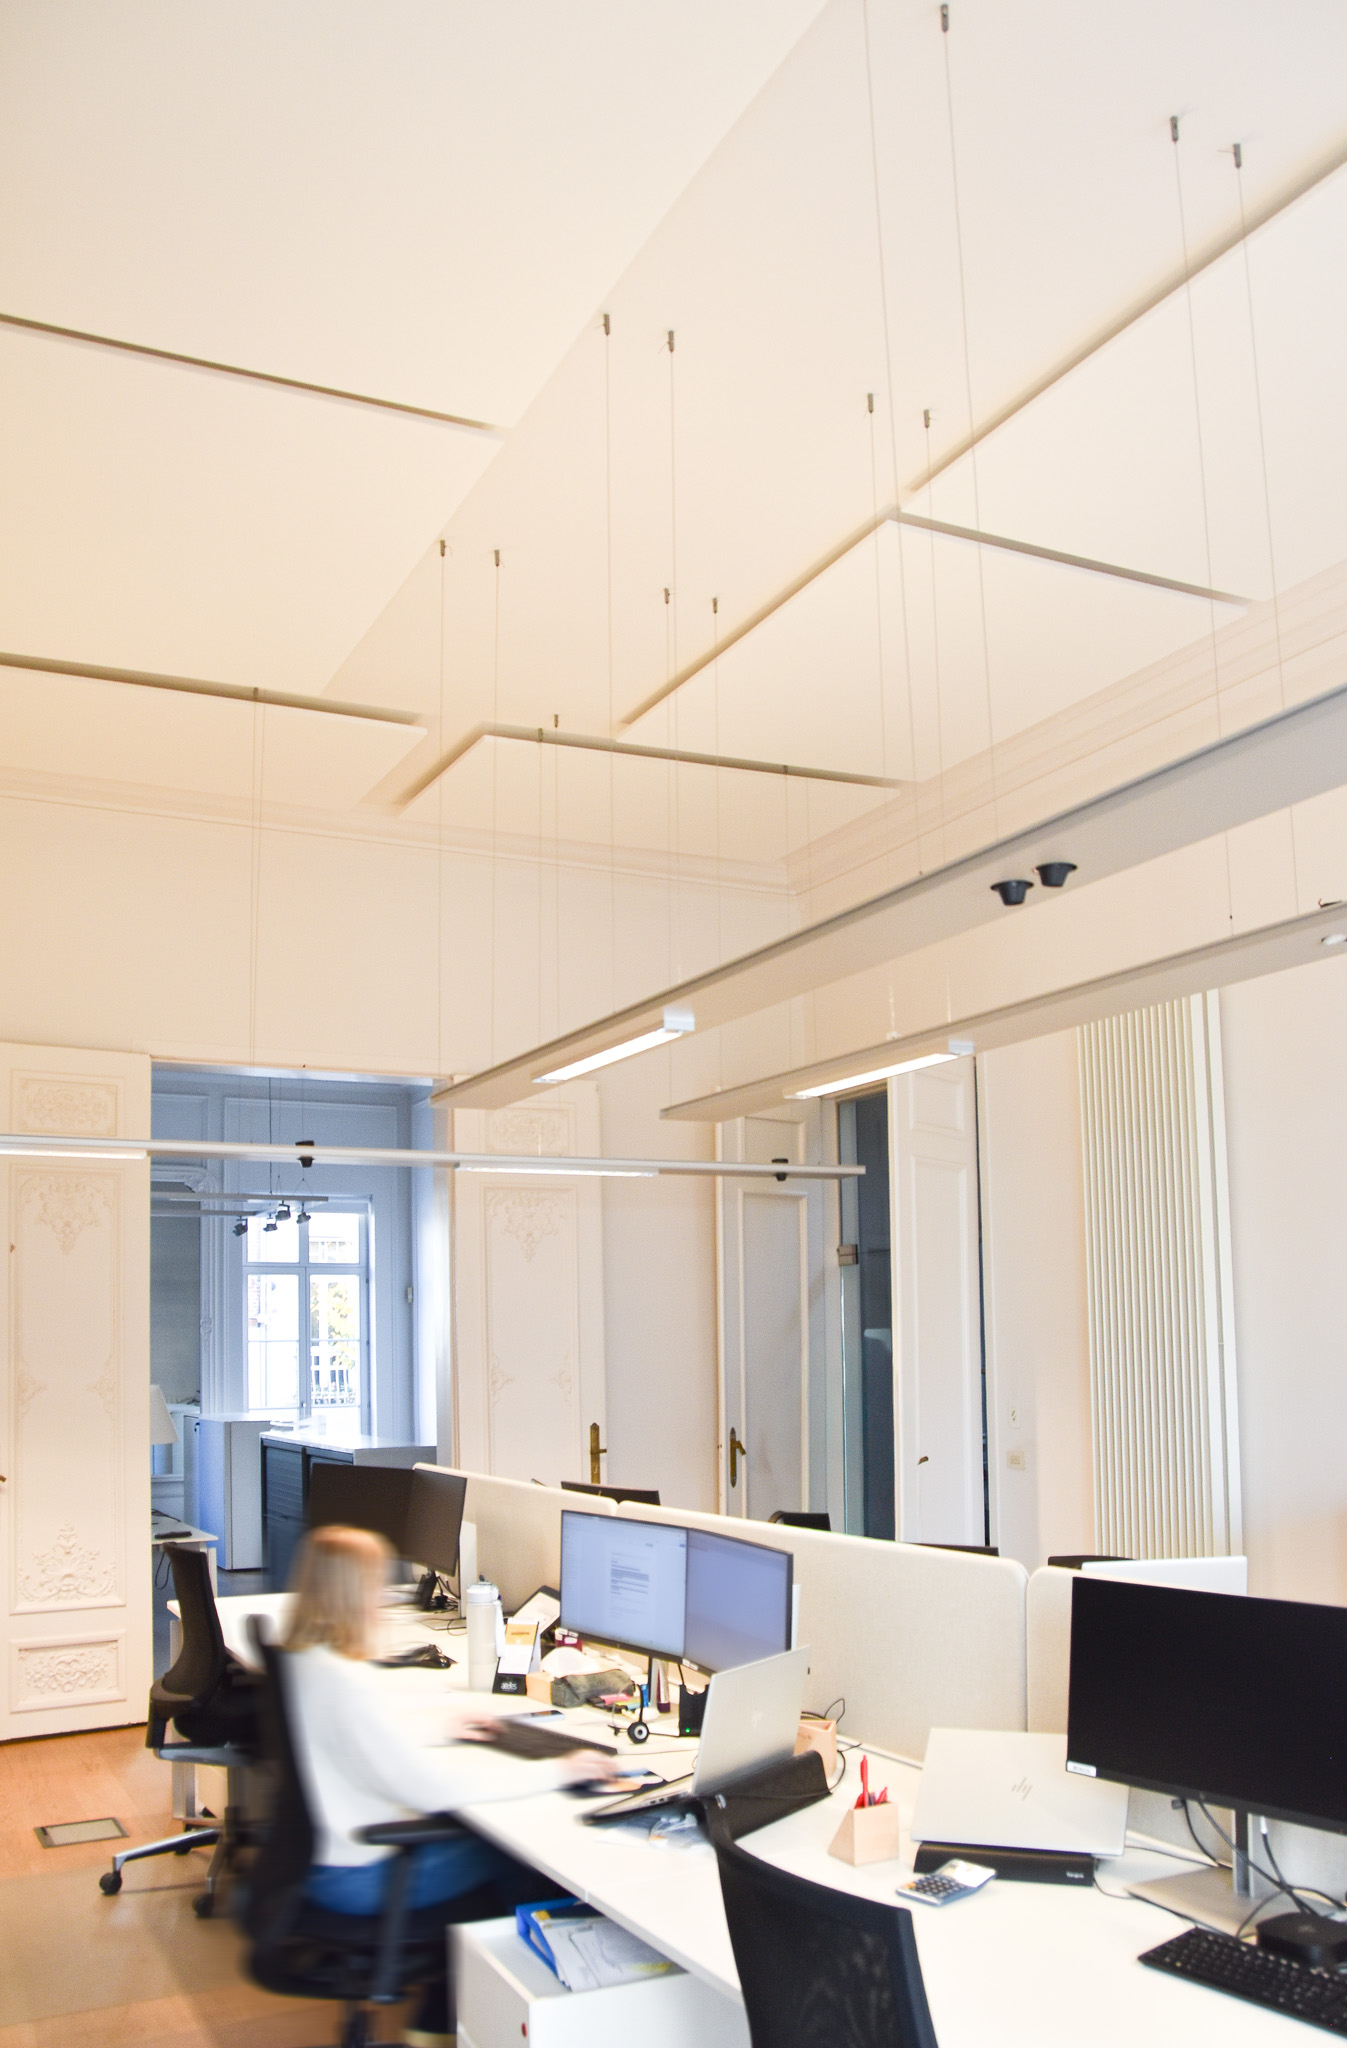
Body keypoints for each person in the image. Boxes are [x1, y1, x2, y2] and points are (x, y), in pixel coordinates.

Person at [281, 1524, 618, 2047]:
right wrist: (560, 1770)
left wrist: (445, 1725)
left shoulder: (308, 1662)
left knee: (488, 1847)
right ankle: (453, 2022)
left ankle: (441, 2014)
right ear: (351, 1595)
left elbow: (362, 1738)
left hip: (323, 1863)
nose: (381, 1599)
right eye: (374, 1586)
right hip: (362, 1877)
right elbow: (429, 1787)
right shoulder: (345, 1683)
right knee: (526, 1863)